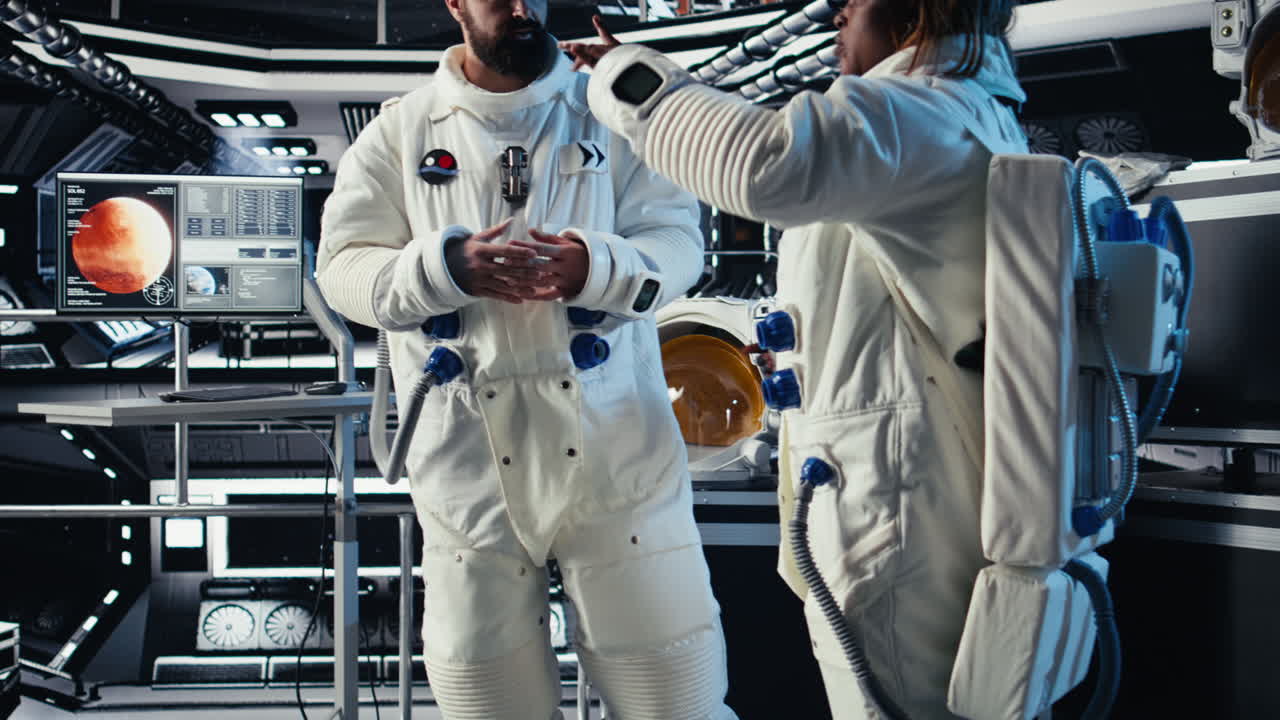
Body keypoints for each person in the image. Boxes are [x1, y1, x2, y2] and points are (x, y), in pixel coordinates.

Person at [564, 1, 1028, 717]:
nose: (841, 11)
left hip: (900, 511)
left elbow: (764, 165)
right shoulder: (961, 112)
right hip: (911, 492)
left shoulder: (917, 111)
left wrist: (626, 78)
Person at [315, 0, 739, 717]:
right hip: (468, 474)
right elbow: (343, 270)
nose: (520, 9)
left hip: (618, 463)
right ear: (454, 5)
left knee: (680, 706)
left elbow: (679, 242)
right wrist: (444, 269)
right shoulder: (400, 133)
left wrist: (597, 267)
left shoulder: (609, 113)